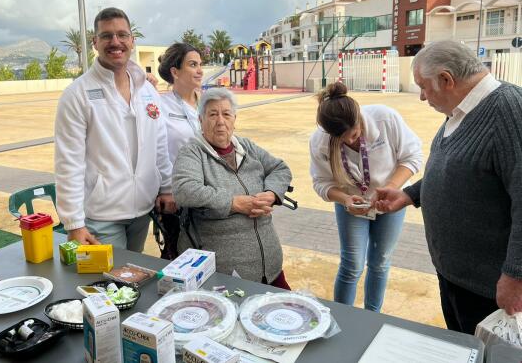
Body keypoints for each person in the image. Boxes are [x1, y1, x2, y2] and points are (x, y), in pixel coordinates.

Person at [374, 40, 522, 334]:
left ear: (446, 80)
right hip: (456, 278)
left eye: (423, 86)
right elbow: (456, 171)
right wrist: (408, 194)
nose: (421, 96)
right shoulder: (461, 110)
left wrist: (516, 276)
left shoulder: (510, 110)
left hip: (490, 290)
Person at [54, 7, 175, 250]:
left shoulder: (147, 91)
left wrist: (167, 188)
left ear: (132, 40)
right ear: (95, 43)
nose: (115, 42)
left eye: (122, 35)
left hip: (143, 209)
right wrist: (74, 223)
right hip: (102, 216)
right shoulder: (77, 94)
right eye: (106, 36)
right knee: (110, 284)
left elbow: (159, 145)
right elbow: (69, 162)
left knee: (132, 278)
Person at [309, 82, 423, 312]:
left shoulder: (385, 118)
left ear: (359, 117)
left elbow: (412, 157)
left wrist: (391, 187)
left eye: (354, 134)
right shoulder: (320, 140)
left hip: (391, 200)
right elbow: (321, 183)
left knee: (380, 263)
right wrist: (345, 200)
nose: (351, 142)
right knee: (352, 265)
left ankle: (373, 315)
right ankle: (342, 317)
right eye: (343, 140)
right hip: (352, 203)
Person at [172, 88, 293, 288]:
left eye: (226, 114)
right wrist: (233, 203)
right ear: (200, 120)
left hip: (270, 266)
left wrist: (271, 194)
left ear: (234, 119)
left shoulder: (246, 146)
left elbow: (280, 168)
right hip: (223, 273)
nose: (220, 121)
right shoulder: (192, 152)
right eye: (212, 114)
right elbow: (185, 190)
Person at [155, 43, 203, 259]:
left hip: (210, 190)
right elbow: (157, 151)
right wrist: (166, 189)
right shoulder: (160, 105)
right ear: (175, 72)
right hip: (178, 197)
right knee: (179, 253)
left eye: (200, 64)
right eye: (193, 65)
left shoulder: (207, 103)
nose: (200, 70)